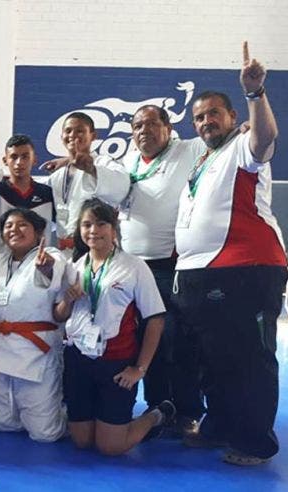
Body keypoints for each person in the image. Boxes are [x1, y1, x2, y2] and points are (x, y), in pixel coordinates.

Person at [173, 42, 286, 466]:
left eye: (214, 114)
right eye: (199, 116)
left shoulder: (242, 147)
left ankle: (256, 442)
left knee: (250, 361)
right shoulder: (204, 161)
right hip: (203, 275)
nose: (206, 121)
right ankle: (219, 424)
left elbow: (266, 137)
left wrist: (254, 93)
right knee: (214, 360)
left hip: (246, 272)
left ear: (232, 117)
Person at [58, 198, 173, 456]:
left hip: (116, 363)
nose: (93, 231)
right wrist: (67, 298)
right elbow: (60, 315)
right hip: (79, 360)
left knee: (110, 447)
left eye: (101, 224)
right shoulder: (75, 267)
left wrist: (140, 368)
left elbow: (155, 318)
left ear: (113, 228)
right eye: (86, 225)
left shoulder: (134, 266)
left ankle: (158, 414)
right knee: (81, 441)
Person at [120, 105, 205, 436]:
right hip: (132, 268)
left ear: (168, 128)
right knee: (144, 341)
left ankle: (188, 410)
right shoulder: (128, 161)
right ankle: (159, 408)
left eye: (152, 124)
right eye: (138, 126)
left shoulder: (187, 149)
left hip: (171, 265)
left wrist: (240, 133)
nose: (144, 131)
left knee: (178, 340)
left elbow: (221, 142)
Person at [0, 209, 71, 442]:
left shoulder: (52, 255)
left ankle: (73, 416)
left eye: (22, 225)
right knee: (6, 424)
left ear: (38, 231)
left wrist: (47, 268)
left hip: (36, 351)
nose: (14, 230)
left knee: (45, 434)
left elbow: (51, 278)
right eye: (9, 226)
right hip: (1, 348)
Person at [46, 112, 129, 249]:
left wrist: (92, 170)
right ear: (62, 137)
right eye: (68, 131)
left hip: (96, 246)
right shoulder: (56, 175)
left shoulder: (103, 163)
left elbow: (122, 187)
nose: (73, 135)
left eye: (80, 131)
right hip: (64, 250)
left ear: (93, 136)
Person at [0, 135, 55, 253]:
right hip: (5, 261)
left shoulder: (47, 193)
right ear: (5, 160)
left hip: (39, 262)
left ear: (34, 160)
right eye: (14, 157)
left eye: (25, 157)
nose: (19, 162)